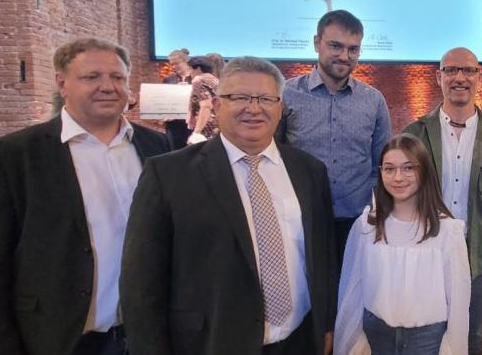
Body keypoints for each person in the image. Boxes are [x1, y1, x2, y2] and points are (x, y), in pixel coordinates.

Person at [0, 38, 170, 355]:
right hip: (60, 339)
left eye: (117, 77)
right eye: (92, 77)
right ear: (62, 83)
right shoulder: (11, 157)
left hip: (145, 338)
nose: (107, 87)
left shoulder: (159, 148)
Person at [121, 56, 337, 355]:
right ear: (218, 105)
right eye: (239, 97)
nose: (253, 107)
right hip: (211, 343)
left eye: (265, 98)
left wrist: (326, 324)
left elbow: (323, 256)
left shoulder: (310, 171)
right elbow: (141, 283)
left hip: (300, 340)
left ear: (279, 108)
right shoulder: (169, 175)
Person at [403, 47, 482, 355]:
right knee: (425, 336)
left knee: (472, 339)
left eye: (468, 70)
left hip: (478, 261)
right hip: (425, 256)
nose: (459, 77)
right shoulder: (414, 135)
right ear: (438, 76)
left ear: (478, 76)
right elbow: (399, 204)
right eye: (451, 70)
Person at [334, 133, 471, 355]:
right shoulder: (367, 225)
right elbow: (352, 291)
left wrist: (454, 348)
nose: (398, 177)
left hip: (428, 341)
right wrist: (351, 341)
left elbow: (458, 301)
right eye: (389, 169)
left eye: (408, 168)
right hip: (376, 336)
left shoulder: (447, 231)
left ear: (424, 170)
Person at [278, 9, 391, 260]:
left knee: (351, 298)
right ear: (317, 43)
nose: (344, 55)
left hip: (357, 225)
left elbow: (382, 165)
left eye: (353, 49)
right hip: (298, 221)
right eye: (335, 46)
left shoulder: (373, 101)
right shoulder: (286, 95)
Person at [186, 54, 222, 144]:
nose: (189, 73)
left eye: (190, 69)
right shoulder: (214, 80)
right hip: (219, 123)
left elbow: (206, 106)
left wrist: (197, 132)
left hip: (207, 125)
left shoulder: (199, 80)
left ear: (198, 69)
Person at [163, 48, 192, 149]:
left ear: (186, 61)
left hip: (191, 122)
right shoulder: (169, 79)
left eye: (176, 63)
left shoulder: (195, 78)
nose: (174, 67)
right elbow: (165, 98)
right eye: (172, 64)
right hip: (173, 123)